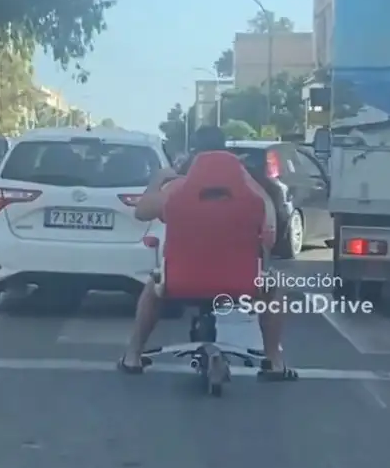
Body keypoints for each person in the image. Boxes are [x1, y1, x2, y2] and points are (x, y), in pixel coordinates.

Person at [117, 126, 296, 381]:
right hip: (243, 284)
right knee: (274, 289)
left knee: (153, 288)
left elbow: (141, 212)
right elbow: (269, 237)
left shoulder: (176, 190)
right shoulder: (254, 192)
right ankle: (274, 361)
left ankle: (133, 357)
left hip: (180, 281)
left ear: (194, 154)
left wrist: (159, 179)